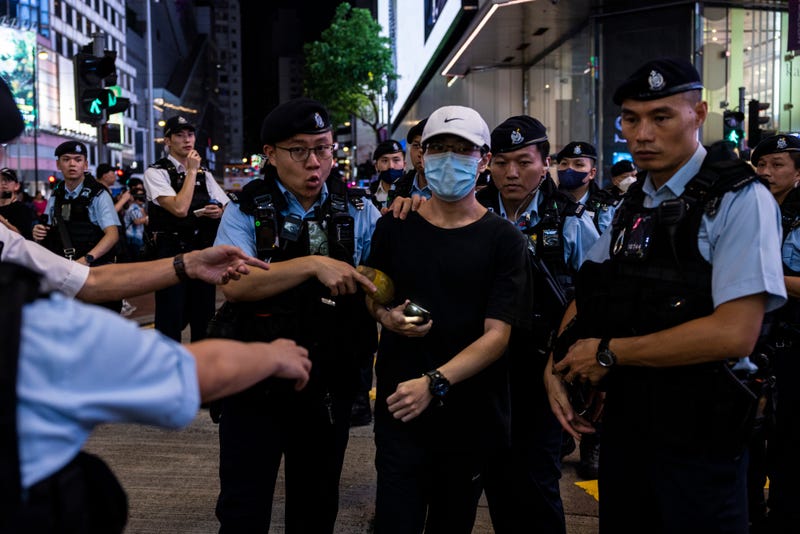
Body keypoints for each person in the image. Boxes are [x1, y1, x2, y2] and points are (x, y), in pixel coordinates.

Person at [544, 57, 786, 534]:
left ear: (697, 113)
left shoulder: (738, 198)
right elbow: (591, 286)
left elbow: (736, 332)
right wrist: (555, 361)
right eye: (631, 119)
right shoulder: (634, 202)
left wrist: (609, 354)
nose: (643, 134)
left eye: (661, 117)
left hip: (701, 436)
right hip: (630, 428)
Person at [212, 97, 381, 533]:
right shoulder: (244, 210)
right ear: (270, 154)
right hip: (253, 379)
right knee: (243, 507)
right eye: (299, 150)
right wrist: (311, 264)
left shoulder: (359, 211)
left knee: (316, 503)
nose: (315, 163)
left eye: (323, 149)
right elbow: (235, 283)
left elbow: (383, 281)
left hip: (327, 381)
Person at [365, 105, 530, 534]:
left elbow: (497, 335)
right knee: (394, 521)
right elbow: (374, 292)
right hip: (402, 408)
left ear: (485, 160)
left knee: (451, 523)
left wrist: (434, 382)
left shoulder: (504, 240)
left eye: (463, 150)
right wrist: (386, 316)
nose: (449, 159)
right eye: (438, 149)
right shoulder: (395, 227)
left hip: (471, 412)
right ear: (421, 157)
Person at [476, 115, 599, 533]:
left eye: (524, 161)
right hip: (481, 365)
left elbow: (592, 295)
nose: (512, 173)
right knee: (494, 476)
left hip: (540, 366)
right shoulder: (470, 210)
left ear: (545, 162)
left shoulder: (569, 219)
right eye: (502, 162)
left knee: (538, 479)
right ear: (488, 164)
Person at [749, 134, 800, 534]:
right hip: (751, 341)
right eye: (761, 164)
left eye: (777, 164)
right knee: (746, 442)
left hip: (795, 346)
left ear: (798, 171)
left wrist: (768, 277)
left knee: (789, 446)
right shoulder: (747, 209)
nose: (766, 172)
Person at [143, 116, 229, 342]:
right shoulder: (156, 172)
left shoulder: (204, 173)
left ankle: (203, 372)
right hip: (170, 251)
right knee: (170, 318)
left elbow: (227, 205)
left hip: (201, 250)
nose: (187, 140)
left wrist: (218, 211)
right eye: (179, 135)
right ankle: (168, 371)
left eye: (190, 135)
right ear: (167, 141)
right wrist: (191, 171)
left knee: (204, 317)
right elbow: (179, 209)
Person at [32, 141, 122, 312]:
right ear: (58, 164)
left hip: (94, 272)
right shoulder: (56, 193)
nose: (72, 164)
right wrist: (38, 232)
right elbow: (48, 227)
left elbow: (112, 235)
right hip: (66, 274)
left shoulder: (98, 193)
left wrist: (86, 259)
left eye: (78, 159)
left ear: (85, 164)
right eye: (66, 159)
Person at [555, 141, 618, 234]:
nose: (569, 169)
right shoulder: (548, 203)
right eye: (564, 164)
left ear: (592, 173)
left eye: (578, 164)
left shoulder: (607, 208)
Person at [394, 118, 431, 200]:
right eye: (416, 145)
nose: (420, 152)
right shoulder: (398, 187)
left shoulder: (453, 191)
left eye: (428, 146)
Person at [369, 139, 406, 210]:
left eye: (396, 160)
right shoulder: (369, 195)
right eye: (385, 161)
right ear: (376, 166)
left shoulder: (411, 190)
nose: (391, 166)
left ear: (404, 165)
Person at [0, 167, 34, 239]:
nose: (3, 183)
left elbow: (24, 238)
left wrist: (3, 222)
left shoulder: (22, 209)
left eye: (8, 180)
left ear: (16, 186)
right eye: (1, 180)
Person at [123, 180, 148, 260]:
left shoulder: (140, 207)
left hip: (137, 237)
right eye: (138, 196)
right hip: (133, 238)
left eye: (142, 196)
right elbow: (137, 221)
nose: (140, 198)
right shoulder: (133, 207)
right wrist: (147, 217)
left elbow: (145, 222)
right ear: (134, 197)